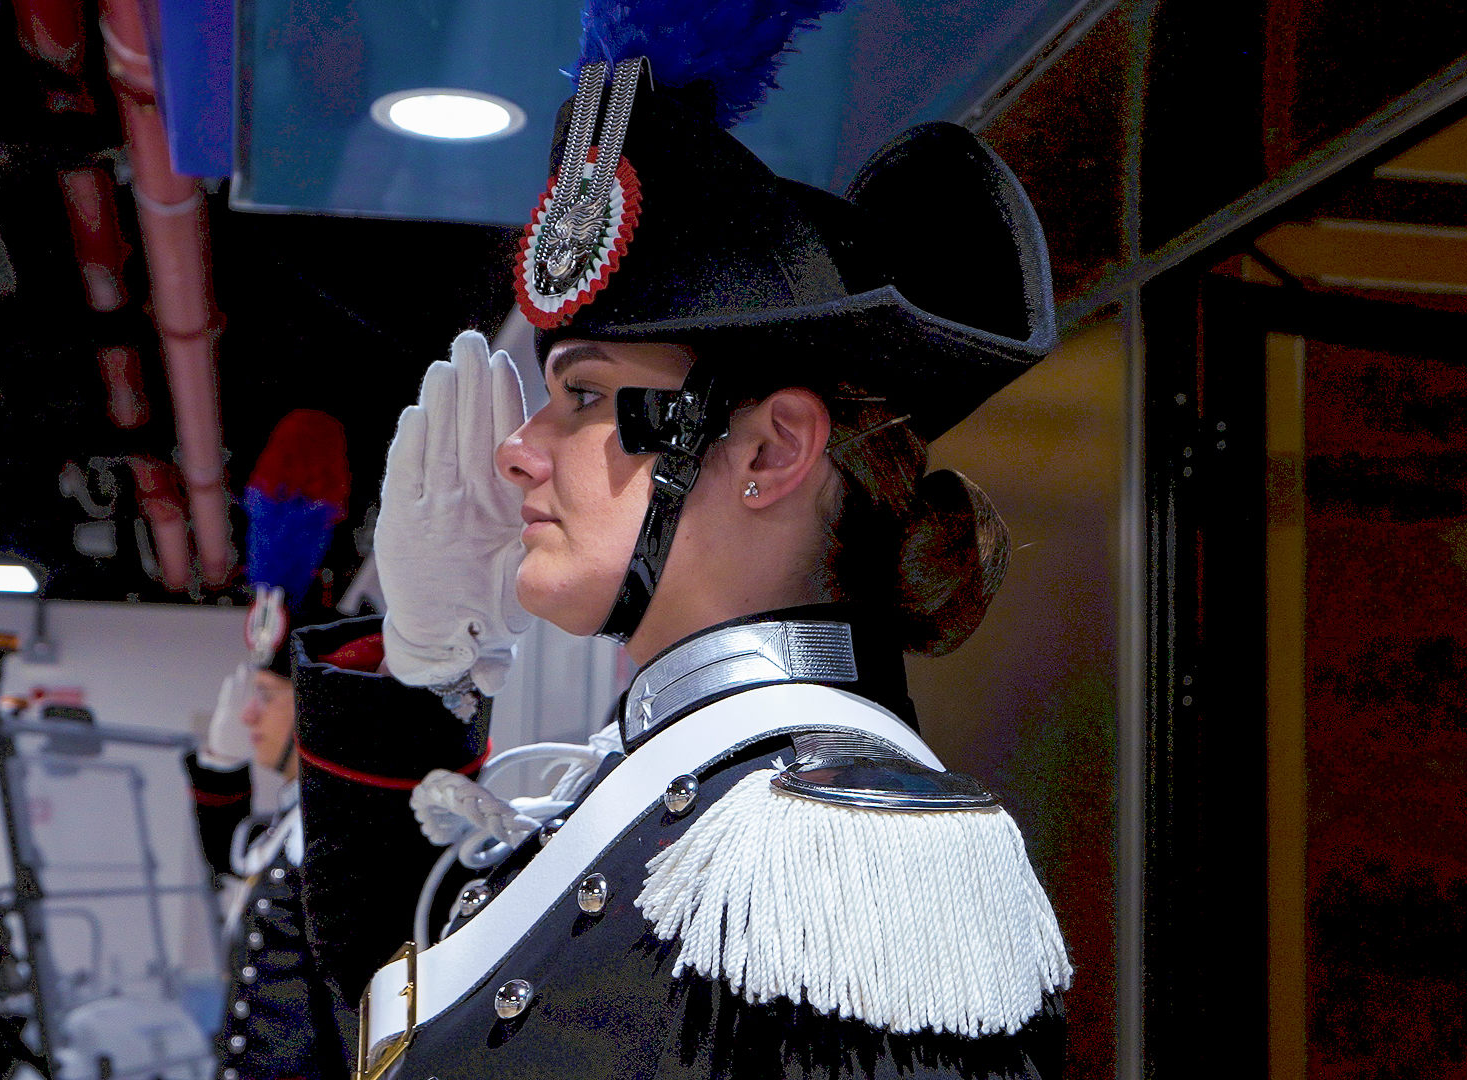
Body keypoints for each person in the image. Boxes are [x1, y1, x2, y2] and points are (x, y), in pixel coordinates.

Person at [285, 3, 1073, 1076]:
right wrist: (421, 673)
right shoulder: (683, 783)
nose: (517, 449)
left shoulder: (845, 848)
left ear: (770, 450)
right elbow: (386, 1019)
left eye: (584, 395)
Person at [185, 409, 359, 1080]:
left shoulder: (336, 837)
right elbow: (229, 854)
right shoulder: (294, 823)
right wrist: (218, 764)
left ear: (313, 708)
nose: (248, 715)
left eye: (267, 696)